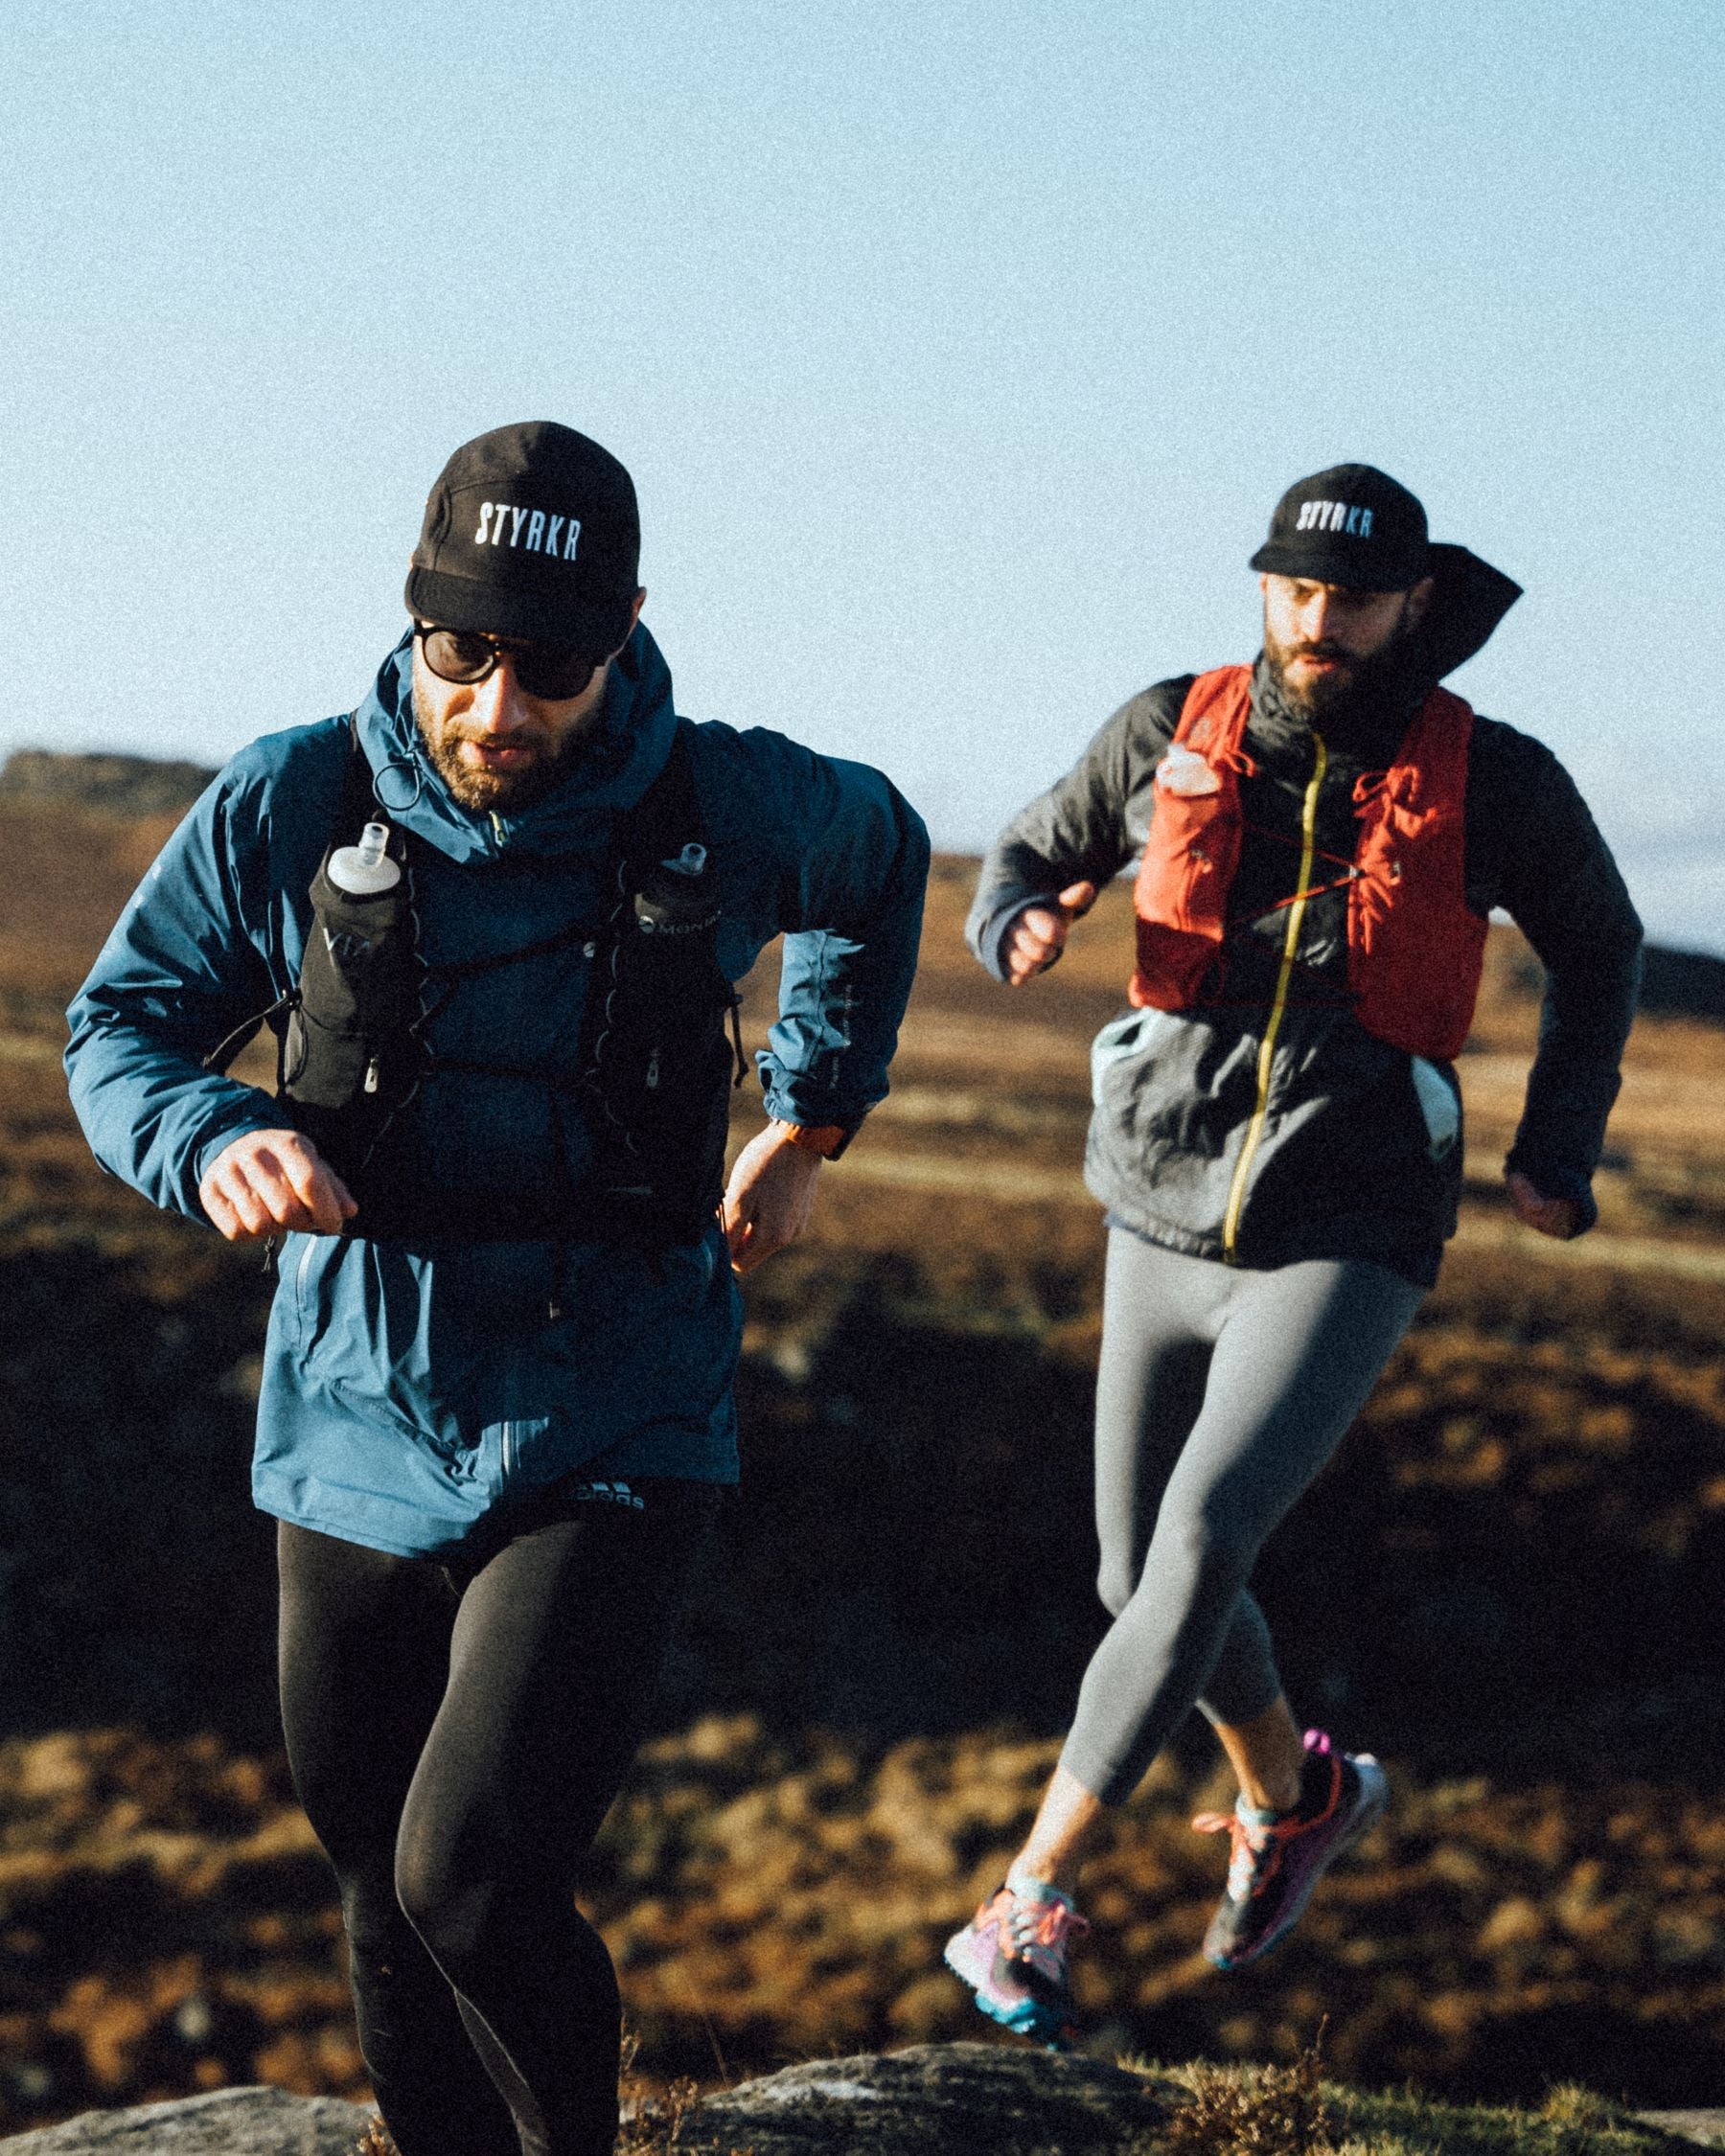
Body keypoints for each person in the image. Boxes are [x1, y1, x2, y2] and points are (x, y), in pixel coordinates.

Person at [65, 421, 928, 2156]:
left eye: (550, 664)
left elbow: (884, 855)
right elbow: (120, 1029)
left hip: (616, 1404)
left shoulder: (730, 800)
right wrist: (208, 1133)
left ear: (620, 638)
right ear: (415, 622)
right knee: (373, 1881)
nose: (497, 708)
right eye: (463, 654)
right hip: (356, 1409)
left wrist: (812, 1112)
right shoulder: (294, 798)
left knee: (467, 1874)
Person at [944, 463, 1641, 2046]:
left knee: (1197, 1534)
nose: (1320, 623)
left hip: (1356, 1217)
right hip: (1158, 1199)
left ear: (1416, 604)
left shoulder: (1498, 776)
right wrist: (1018, 926)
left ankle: (1032, 1892)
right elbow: (1019, 856)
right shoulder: (1163, 726)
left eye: (1356, 599)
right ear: (1266, 587)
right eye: (1296, 592)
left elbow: (1599, 949)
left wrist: (1555, 1146)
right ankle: (1297, 1792)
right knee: (1136, 1574)